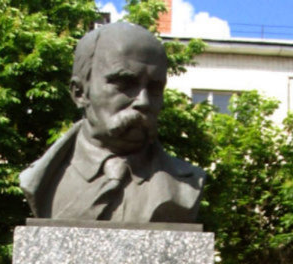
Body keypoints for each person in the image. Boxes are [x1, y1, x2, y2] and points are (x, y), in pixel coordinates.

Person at [20, 21, 205, 223]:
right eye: (125, 84)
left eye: (154, 88)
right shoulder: (41, 180)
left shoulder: (185, 185)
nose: (144, 102)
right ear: (80, 93)